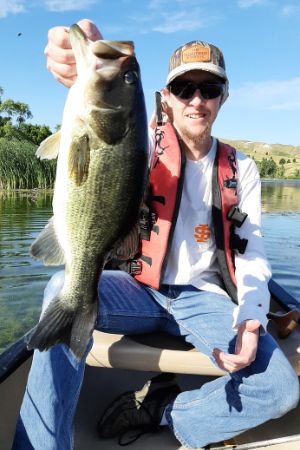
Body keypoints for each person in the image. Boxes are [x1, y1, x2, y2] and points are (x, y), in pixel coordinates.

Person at [12, 19, 299, 450]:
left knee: (280, 389)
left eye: (210, 88)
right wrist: (75, 60)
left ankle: (163, 409)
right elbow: (100, 110)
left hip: (206, 299)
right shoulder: (139, 142)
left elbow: (253, 253)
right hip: (138, 288)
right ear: (166, 97)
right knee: (61, 289)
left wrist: (252, 320)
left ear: (224, 97)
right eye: (185, 88)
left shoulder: (243, 168)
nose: (197, 100)